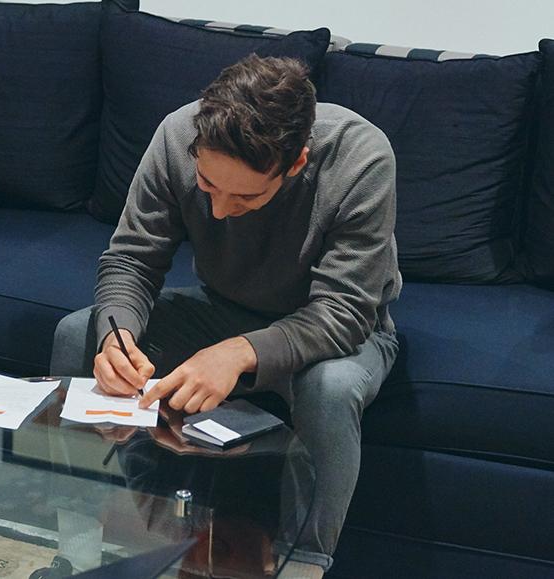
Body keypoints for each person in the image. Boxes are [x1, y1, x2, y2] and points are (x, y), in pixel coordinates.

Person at [51, 53, 402, 578]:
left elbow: (344, 311)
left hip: (338, 332)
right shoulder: (176, 136)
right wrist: (116, 339)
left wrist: (238, 354)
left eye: (245, 196)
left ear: (296, 164)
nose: (218, 211)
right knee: (78, 332)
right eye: (208, 186)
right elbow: (132, 260)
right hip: (220, 311)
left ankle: (303, 566)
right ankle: (78, 547)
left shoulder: (361, 158)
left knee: (329, 389)